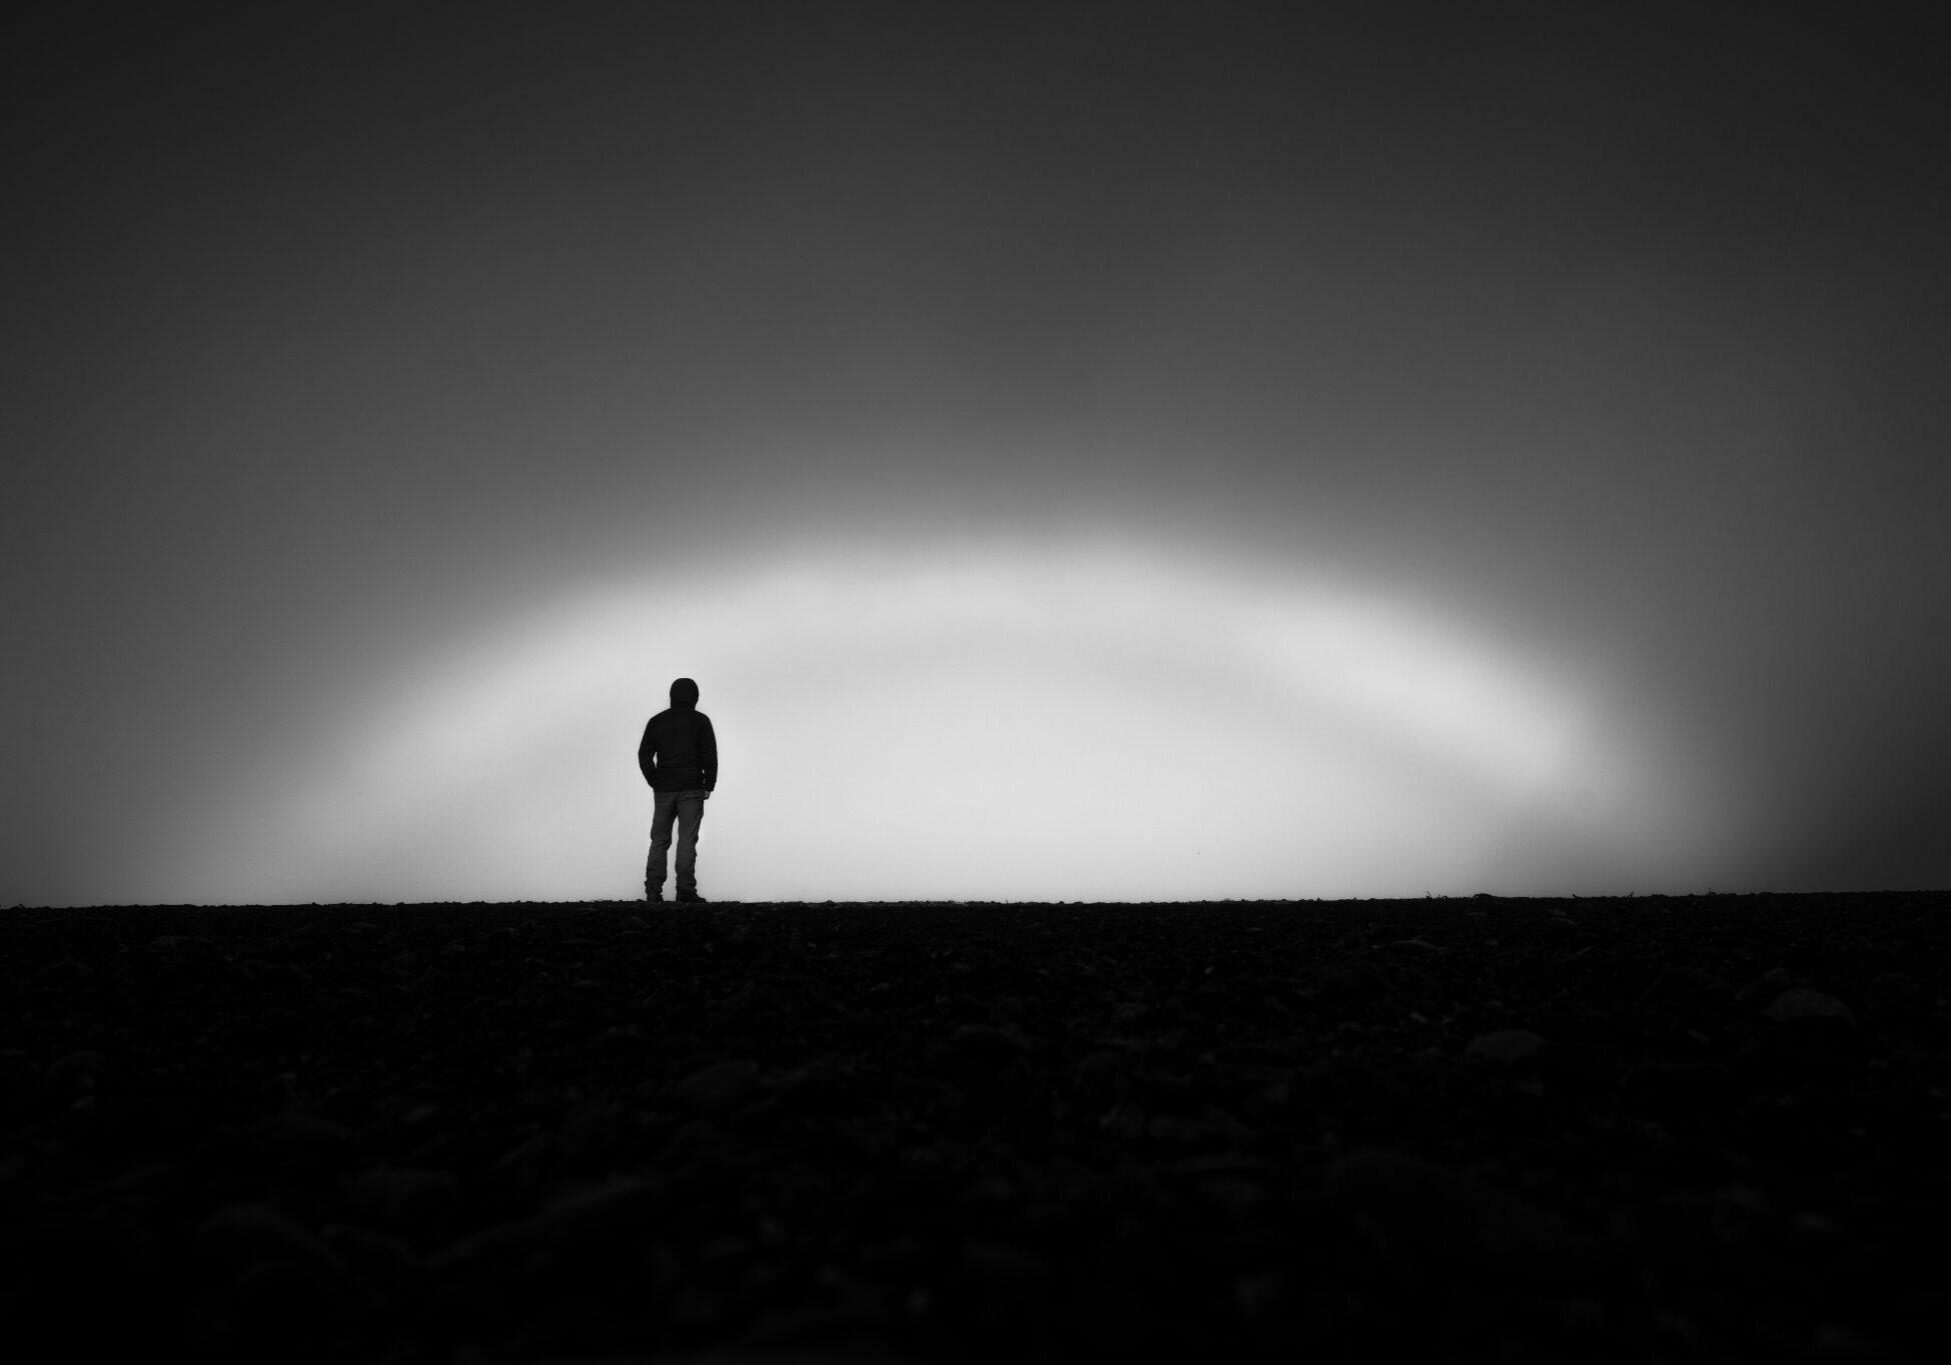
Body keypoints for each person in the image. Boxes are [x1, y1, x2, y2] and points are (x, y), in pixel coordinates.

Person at [638, 676, 717, 903]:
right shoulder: (701, 721)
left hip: (664, 788)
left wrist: (655, 779)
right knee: (686, 839)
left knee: (659, 839)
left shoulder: (657, 721)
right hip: (691, 787)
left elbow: (644, 754)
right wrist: (709, 784)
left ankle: (653, 889)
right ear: (694, 697)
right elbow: (709, 755)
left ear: (672, 695)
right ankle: (685, 890)